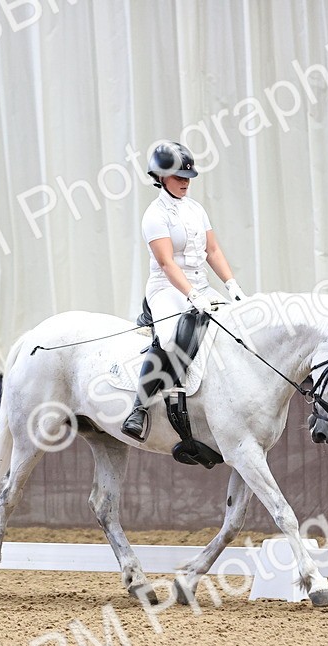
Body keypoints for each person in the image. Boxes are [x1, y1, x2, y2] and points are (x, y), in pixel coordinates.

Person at [121, 141, 249, 441]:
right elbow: (166, 263)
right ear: (161, 177)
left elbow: (213, 250)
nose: (184, 183)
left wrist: (232, 286)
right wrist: (192, 295)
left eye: (187, 177)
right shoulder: (154, 215)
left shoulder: (196, 209)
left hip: (201, 285)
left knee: (237, 325)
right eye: (179, 177)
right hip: (167, 289)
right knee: (168, 338)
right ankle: (139, 408)